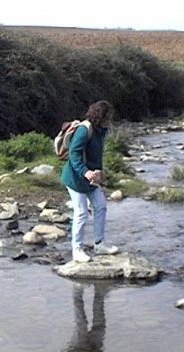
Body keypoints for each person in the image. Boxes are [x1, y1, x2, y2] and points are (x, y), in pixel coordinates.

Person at [61, 100, 119, 263]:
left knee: (101, 206)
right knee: (81, 213)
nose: (111, 119)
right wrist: (85, 172)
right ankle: (77, 249)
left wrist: (98, 173)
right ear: (100, 116)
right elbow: (74, 155)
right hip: (75, 178)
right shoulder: (83, 130)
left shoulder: (101, 130)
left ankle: (99, 244)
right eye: (108, 116)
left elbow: (96, 155)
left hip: (91, 178)